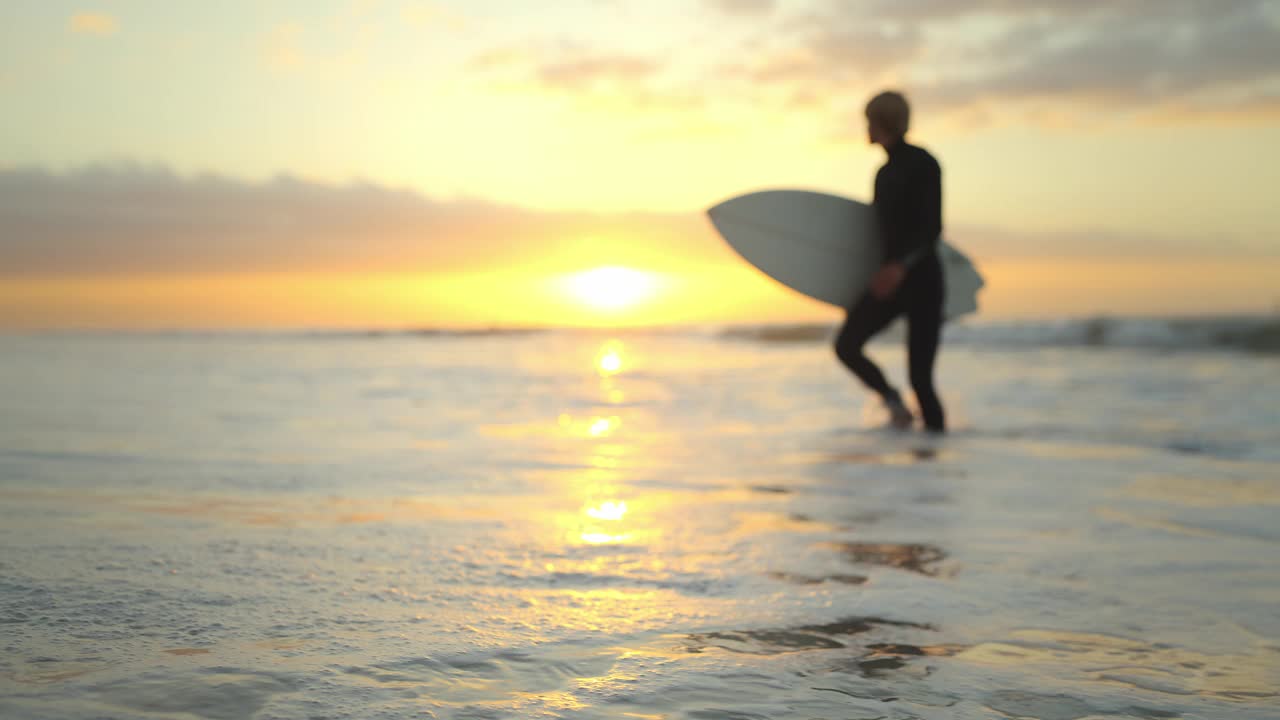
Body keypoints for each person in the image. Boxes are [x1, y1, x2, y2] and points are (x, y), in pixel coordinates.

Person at [833, 90, 946, 432]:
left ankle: (935, 462)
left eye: (869, 120)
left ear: (883, 122)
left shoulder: (923, 163)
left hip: (922, 281)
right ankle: (892, 401)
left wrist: (901, 266)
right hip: (888, 281)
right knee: (847, 345)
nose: (865, 127)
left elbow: (932, 228)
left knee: (921, 380)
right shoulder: (883, 172)